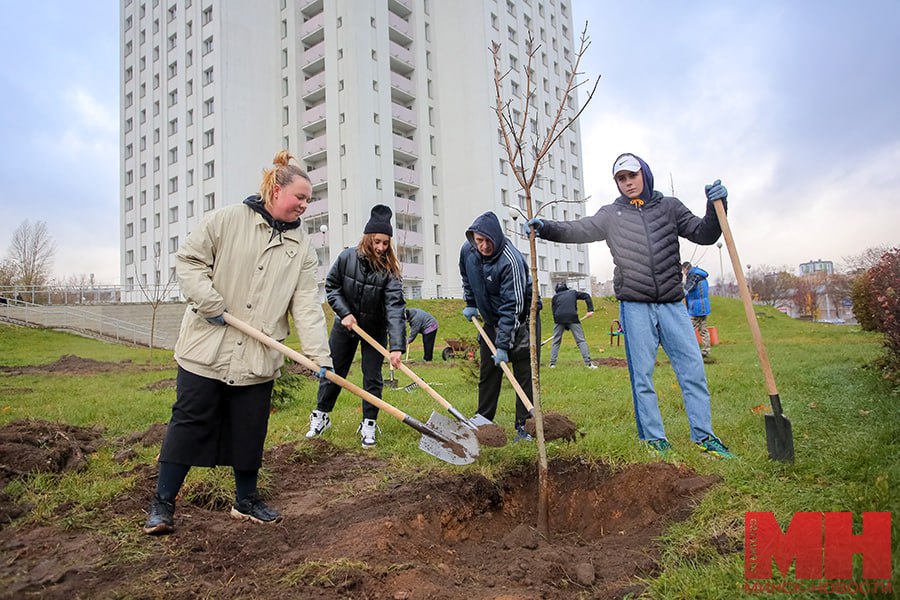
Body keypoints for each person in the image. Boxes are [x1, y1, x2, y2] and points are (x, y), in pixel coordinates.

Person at [143, 150, 334, 536]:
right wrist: (208, 301)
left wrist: (320, 357)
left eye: (308, 200)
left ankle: (245, 502)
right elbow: (189, 261)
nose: (304, 205)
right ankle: (163, 504)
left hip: (257, 357)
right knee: (188, 423)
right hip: (206, 349)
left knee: (250, 429)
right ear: (276, 189)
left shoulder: (302, 248)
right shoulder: (228, 220)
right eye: (300, 197)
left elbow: (306, 305)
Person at [527, 153, 735, 459]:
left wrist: (716, 208)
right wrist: (546, 227)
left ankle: (704, 436)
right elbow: (579, 229)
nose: (628, 183)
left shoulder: (670, 207)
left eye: (632, 176)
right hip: (635, 306)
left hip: (672, 304)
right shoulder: (612, 215)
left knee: (692, 370)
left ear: (645, 175)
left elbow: (704, 234)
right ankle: (654, 440)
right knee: (642, 376)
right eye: (621, 179)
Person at [306, 204, 406, 448]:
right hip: (345, 325)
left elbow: (395, 308)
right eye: (377, 241)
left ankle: (369, 423)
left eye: (385, 243)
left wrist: (396, 346)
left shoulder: (390, 270)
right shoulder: (346, 257)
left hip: (374, 329)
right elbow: (332, 287)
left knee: (372, 377)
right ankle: (321, 415)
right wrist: (345, 313)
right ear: (368, 237)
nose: (381, 247)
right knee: (333, 372)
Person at [459, 211, 538, 443]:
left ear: (495, 236)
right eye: (478, 240)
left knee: (524, 374)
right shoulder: (468, 250)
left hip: (523, 320)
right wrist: (471, 304)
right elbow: (467, 277)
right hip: (492, 320)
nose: (482, 246)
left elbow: (512, 307)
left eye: (486, 241)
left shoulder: (509, 261)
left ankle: (525, 427)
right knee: (488, 372)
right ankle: (483, 420)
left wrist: (503, 345)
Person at [548, 282, 596, 369]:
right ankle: (588, 364)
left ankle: (552, 364)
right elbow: (586, 296)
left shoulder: (555, 297)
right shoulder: (573, 292)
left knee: (556, 341)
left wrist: (564, 325)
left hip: (558, 319)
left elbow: (554, 312)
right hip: (572, 317)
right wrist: (590, 310)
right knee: (581, 341)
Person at [682, 261, 712, 358]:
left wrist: (679, 294)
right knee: (703, 329)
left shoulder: (694, 276)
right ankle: (706, 350)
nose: (684, 273)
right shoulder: (700, 274)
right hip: (703, 306)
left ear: (686, 268)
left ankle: (688, 351)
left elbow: (687, 289)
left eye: (683, 270)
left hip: (696, 307)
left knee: (689, 329)